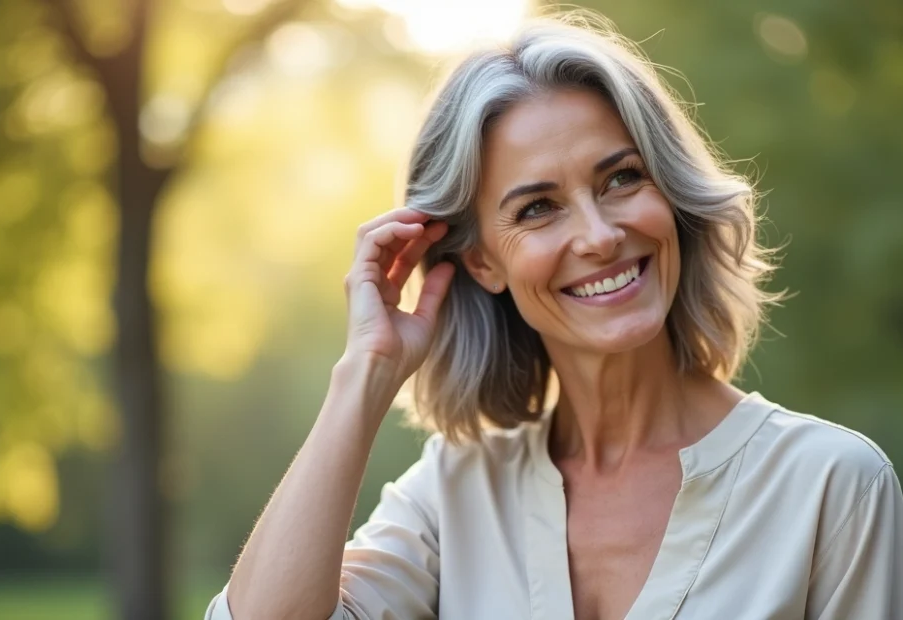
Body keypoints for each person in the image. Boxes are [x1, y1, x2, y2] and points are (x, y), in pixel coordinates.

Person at [205, 12, 903, 620]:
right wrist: (366, 371)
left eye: (622, 178)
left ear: (670, 192)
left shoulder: (831, 486)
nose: (599, 236)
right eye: (538, 208)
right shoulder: (455, 493)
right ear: (482, 262)